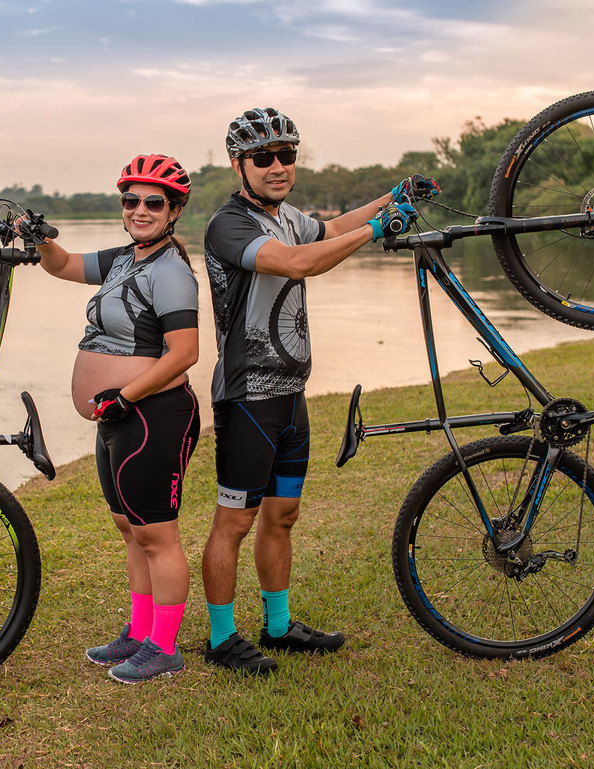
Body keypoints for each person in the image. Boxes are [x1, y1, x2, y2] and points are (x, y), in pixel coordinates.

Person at [200, 107, 439, 674]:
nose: (277, 166)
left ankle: (278, 626)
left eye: (287, 155)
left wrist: (390, 198)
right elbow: (300, 263)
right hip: (248, 395)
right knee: (234, 521)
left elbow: (328, 231)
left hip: (291, 393)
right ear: (239, 165)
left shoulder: (285, 216)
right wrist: (380, 230)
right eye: (264, 158)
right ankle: (219, 637)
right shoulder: (229, 225)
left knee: (283, 514)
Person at [36, 154, 201, 684]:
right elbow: (62, 265)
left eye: (154, 202)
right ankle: (139, 631)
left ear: (174, 210)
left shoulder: (171, 271)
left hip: (152, 414)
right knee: (130, 529)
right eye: (131, 200)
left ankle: (165, 647)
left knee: (157, 535)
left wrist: (125, 396)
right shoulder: (123, 260)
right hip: (118, 414)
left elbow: (185, 353)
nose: (140, 209)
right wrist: (38, 236)